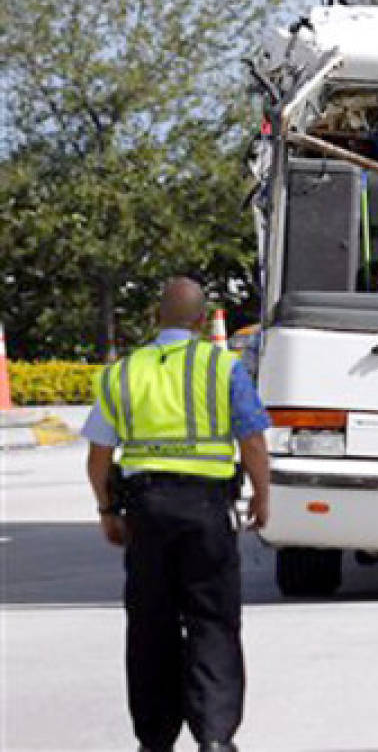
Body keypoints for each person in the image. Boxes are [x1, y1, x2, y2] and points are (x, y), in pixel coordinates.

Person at [83, 277, 272, 752]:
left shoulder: (123, 372)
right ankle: (214, 737)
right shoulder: (223, 368)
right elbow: (251, 440)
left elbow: (99, 457)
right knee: (213, 620)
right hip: (207, 509)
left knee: (150, 624)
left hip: (146, 511)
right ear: (203, 320)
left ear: (155, 318)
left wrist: (107, 509)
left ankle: (155, 738)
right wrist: (263, 495)